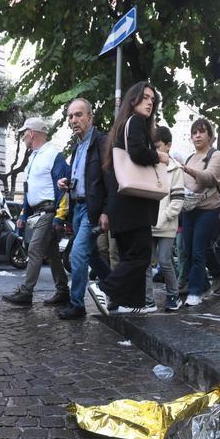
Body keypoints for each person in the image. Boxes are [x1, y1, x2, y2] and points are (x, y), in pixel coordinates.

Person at [88, 81, 166, 315]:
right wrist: (159, 156)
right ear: (133, 99)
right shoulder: (136, 122)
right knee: (141, 257)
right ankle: (104, 289)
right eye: (145, 97)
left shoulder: (122, 125)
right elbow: (139, 152)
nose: (150, 102)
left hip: (121, 204)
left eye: (153, 99)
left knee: (129, 256)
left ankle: (132, 303)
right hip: (133, 204)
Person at [2, 117, 70, 307]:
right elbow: (29, 189)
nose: (23, 138)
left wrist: (59, 217)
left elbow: (64, 188)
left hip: (49, 212)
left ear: (32, 133)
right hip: (38, 213)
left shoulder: (53, 154)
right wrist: (23, 214)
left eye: (24, 134)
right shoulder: (33, 157)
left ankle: (26, 293)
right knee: (53, 254)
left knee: (34, 250)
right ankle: (63, 291)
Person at [56, 98, 111, 320]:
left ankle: (77, 304)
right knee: (93, 256)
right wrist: (66, 181)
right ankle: (117, 287)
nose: (74, 120)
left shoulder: (102, 142)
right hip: (77, 207)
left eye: (79, 115)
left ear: (90, 117)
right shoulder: (77, 146)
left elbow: (110, 180)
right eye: (70, 116)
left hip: (92, 208)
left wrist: (106, 210)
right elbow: (81, 176)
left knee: (78, 255)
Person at [177, 118, 220, 306]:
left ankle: (195, 291)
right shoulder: (190, 157)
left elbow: (209, 178)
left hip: (208, 210)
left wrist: (186, 170)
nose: (197, 135)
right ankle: (206, 283)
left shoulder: (216, 155)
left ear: (210, 135)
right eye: (194, 132)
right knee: (188, 250)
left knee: (198, 251)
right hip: (189, 209)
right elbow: (184, 183)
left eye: (202, 132)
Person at [152, 126, 184, 311]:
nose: (155, 151)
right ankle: (148, 298)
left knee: (165, 260)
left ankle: (173, 295)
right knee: (146, 263)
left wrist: (164, 217)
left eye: (158, 146)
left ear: (168, 146)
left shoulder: (175, 169)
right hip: (149, 222)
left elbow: (178, 200)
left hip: (167, 225)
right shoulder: (149, 166)